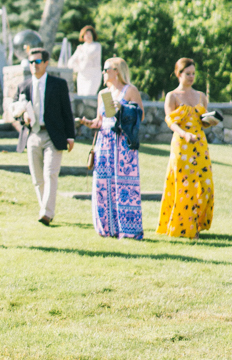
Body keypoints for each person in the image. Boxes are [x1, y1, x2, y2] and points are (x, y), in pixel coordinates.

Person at [78, 56, 144, 240]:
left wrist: (122, 109)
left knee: (124, 184)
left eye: (106, 69)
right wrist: (89, 123)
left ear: (117, 71)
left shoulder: (130, 90)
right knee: (103, 183)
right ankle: (106, 228)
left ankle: (129, 230)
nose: (104, 73)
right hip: (105, 142)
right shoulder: (103, 94)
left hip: (123, 142)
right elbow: (100, 121)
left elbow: (140, 115)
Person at [16, 48, 75, 226]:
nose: (34, 65)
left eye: (38, 61)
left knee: (51, 173)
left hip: (53, 135)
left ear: (46, 63)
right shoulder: (24, 86)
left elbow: (67, 111)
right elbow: (16, 110)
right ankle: (45, 208)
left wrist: (70, 136)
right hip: (32, 133)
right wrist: (22, 117)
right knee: (37, 177)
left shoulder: (58, 84)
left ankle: (47, 213)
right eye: (31, 62)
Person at [157, 57, 215, 239]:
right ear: (178, 74)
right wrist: (184, 134)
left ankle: (197, 223)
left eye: (193, 74)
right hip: (181, 145)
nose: (191, 77)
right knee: (184, 185)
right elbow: (170, 121)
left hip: (199, 144)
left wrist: (211, 121)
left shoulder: (201, 96)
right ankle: (185, 228)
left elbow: (203, 121)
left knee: (205, 184)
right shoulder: (172, 96)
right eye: (187, 74)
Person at [68, 25, 103, 98]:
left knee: (88, 96)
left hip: (93, 75)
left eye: (90, 34)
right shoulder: (80, 47)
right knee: (81, 98)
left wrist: (82, 50)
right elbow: (71, 61)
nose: (88, 36)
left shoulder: (96, 46)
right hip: (82, 76)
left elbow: (89, 54)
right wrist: (77, 68)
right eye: (86, 35)